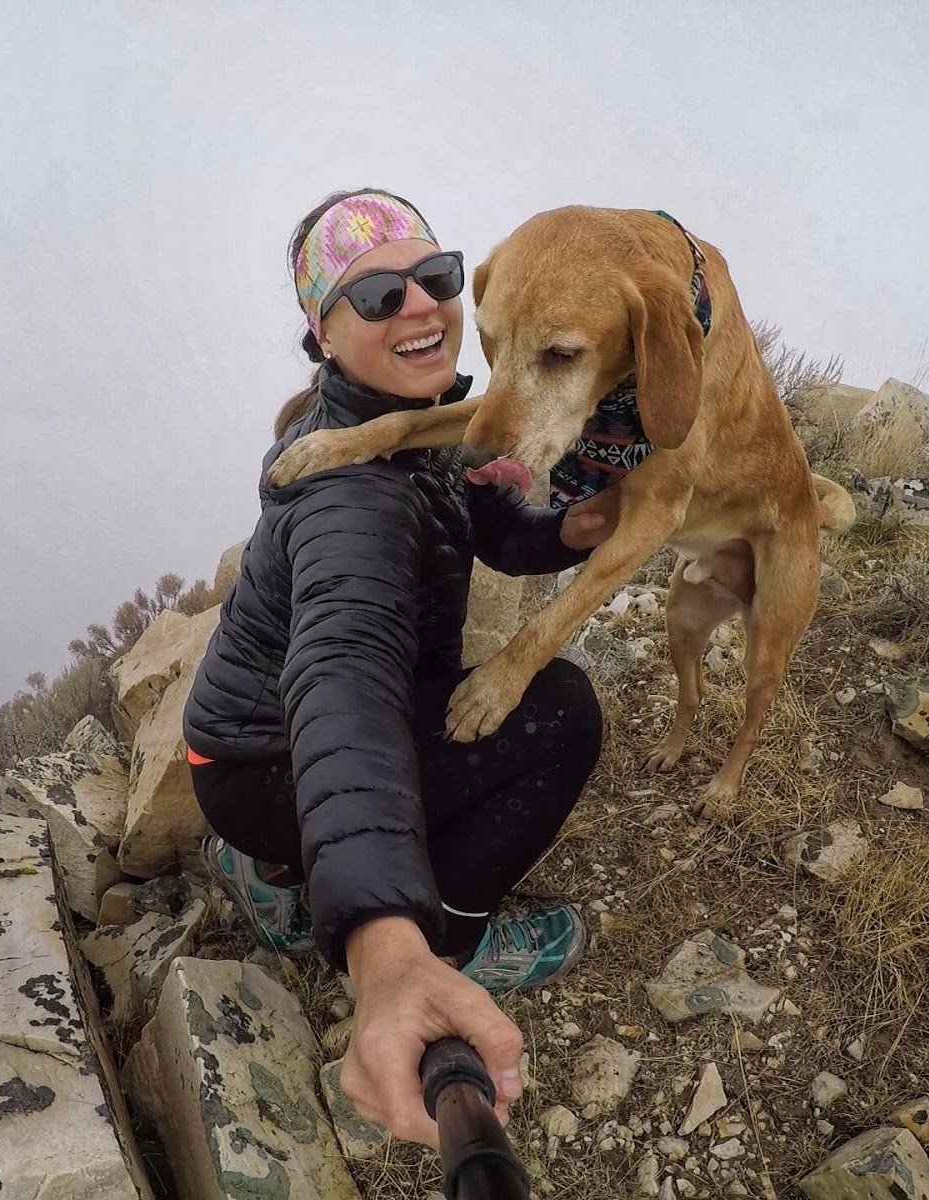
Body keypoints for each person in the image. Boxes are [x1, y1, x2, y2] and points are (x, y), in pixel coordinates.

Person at [181, 188, 612, 1147]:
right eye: (376, 296)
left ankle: (281, 876)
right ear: (325, 337)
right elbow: (345, 683)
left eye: (435, 277)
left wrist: (570, 530)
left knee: (471, 710)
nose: (419, 306)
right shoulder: (350, 503)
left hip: (241, 752)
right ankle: (450, 936)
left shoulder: (411, 419)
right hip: (273, 762)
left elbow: (483, 522)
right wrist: (386, 949)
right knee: (559, 713)